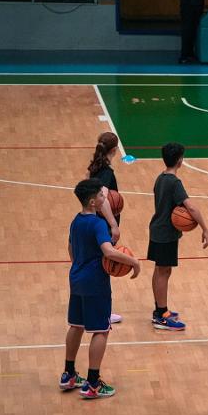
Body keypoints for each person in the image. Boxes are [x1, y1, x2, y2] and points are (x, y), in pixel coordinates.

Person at [60, 179, 140, 399]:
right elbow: (109, 252)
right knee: (101, 330)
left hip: (76, 278)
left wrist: (80, 265)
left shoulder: (75, 221)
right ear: (93, 201)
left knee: (76, 325)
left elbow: (70, 248)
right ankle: (93, 383)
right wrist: (134, 262)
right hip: (95, 282)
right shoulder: (98, 224)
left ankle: (69, 375)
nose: (106, 198)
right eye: (102, 196)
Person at [147, 142, 208, 330]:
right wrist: (204, 228)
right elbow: (190, 207)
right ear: (180, 160)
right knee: (163, 272)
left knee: (160, 270)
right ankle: (162, 315)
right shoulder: (175, 183)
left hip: (157, 228)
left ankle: (159, 310)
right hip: (165, 232)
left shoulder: (160, 178)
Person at [86, 131, 123, 324]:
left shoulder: (93, 167)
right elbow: (103, 199)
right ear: (115, 150)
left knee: (93, 265)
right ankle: (103, 312)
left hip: (89, 220)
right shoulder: (107, 172)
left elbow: (86, 189)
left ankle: (92, 307)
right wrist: (113, 224)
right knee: (104, 268)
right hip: (101, 225)